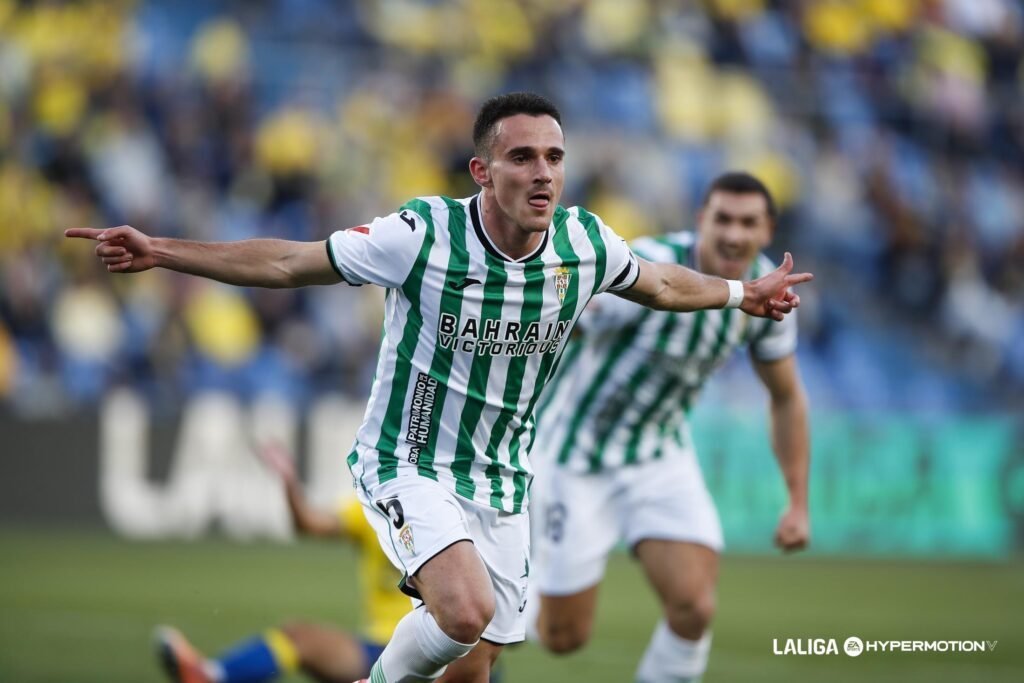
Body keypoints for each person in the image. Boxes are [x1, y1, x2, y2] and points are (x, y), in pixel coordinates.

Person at [66, 92, 811, 683]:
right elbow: (291, 262)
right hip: (409, 460)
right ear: (482, 171)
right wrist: (163, 249)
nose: (544, 172)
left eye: (554, 156)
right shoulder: (421, 235)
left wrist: (738, 293)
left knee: (475, 662)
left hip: (503, 481)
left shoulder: (585, 244)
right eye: (522, 157)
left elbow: (659, 282)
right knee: (463, 609)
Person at [526, 171, 811, 683]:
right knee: (563, 638)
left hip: (659, 456)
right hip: (575, 456)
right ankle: (501, 611)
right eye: (722, 219)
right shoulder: (643, 265)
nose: (733, 234)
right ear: (701, 220)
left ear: (768, 231)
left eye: (749, 223)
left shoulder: (772, 296)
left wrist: (797, 501)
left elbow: (786, 397)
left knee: (695, 607)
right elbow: (557, 324)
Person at [154, 442, 413, 683]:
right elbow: (309, 523)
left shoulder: (448, 509)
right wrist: (289, 481)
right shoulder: (374, 505)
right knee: (297, 637)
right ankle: (212, 676)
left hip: (436, 650)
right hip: (380, 647)